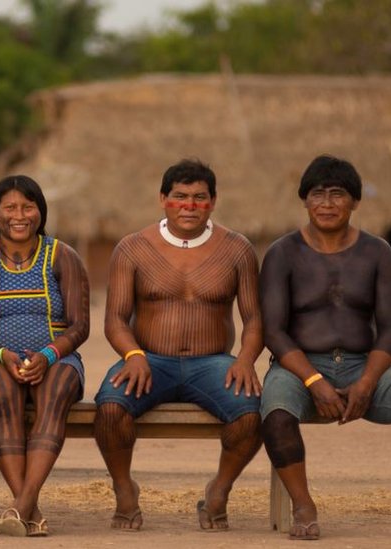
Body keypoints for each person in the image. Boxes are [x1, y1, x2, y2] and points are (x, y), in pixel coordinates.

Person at [259, 155, 391, 541]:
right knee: (274, 410)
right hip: (298, 367)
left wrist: (367, 383)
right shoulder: (282, 254)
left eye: (337, 194)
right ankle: (303, 506)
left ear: (355, 201)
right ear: (304, 201)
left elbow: (390, 331)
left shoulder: (377, 253)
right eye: (317, 194)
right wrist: (312, 380)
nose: (326, 203)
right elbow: (274, 331)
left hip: (363, 363)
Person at [93, 159, 263, 531]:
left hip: (214, 363)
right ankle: (124, 489)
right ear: (163, 200)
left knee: (252, 415)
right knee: (108, 409)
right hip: (149, 361)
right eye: (180, 197)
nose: (189, 205)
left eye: (200, 198)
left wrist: (246, 360)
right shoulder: (133, 248)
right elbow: (115, 320)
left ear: (213, 202)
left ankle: (219, 490)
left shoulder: (238, 250)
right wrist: (133, 355)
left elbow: (254, 318)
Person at [0, 175, 89, 537]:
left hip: (56, 355)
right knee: (3, 393)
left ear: (40, 212)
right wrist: (1, 354)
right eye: (10, 207)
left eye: (28, 207)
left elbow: (79, 327)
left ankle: (21, 506)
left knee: (56, 392)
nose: (20, 215)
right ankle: (31, 506)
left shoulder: (63, 256)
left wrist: (47, 354)